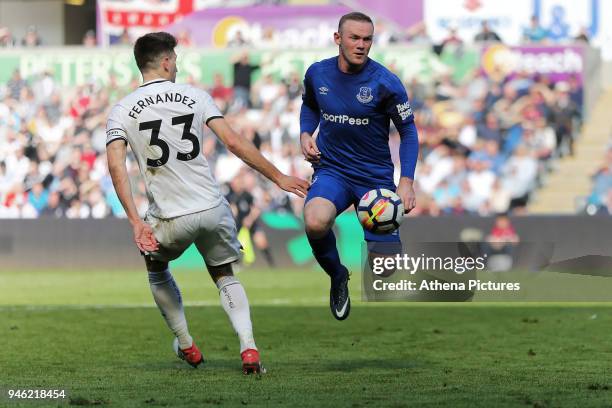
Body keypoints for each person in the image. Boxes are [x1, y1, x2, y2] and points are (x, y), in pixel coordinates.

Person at [106, 32, 308, 373]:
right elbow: (233, 142)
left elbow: (116, 165)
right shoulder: (195, 96)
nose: (177, 63)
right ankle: (249, 348)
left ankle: (187, 345)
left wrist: (135, 221)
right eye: (175, 57)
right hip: (212, 207)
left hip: (169, 216)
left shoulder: (122, 109)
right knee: (224, 274)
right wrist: (279, 177)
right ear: (167, 60)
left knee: (156, 268)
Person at [299, 12, 419, 321]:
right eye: (354, 38)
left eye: (367, 39)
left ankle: (386, 246)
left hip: (375, 179)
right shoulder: (317, 73)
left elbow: (408, 131)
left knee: (385, 270)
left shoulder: (386, 82)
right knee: (314, 221)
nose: (361, 45)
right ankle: (338, 276)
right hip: (333, 170)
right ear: (338, 39)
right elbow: (310, 105)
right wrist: (304, 134)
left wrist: (406, 181)